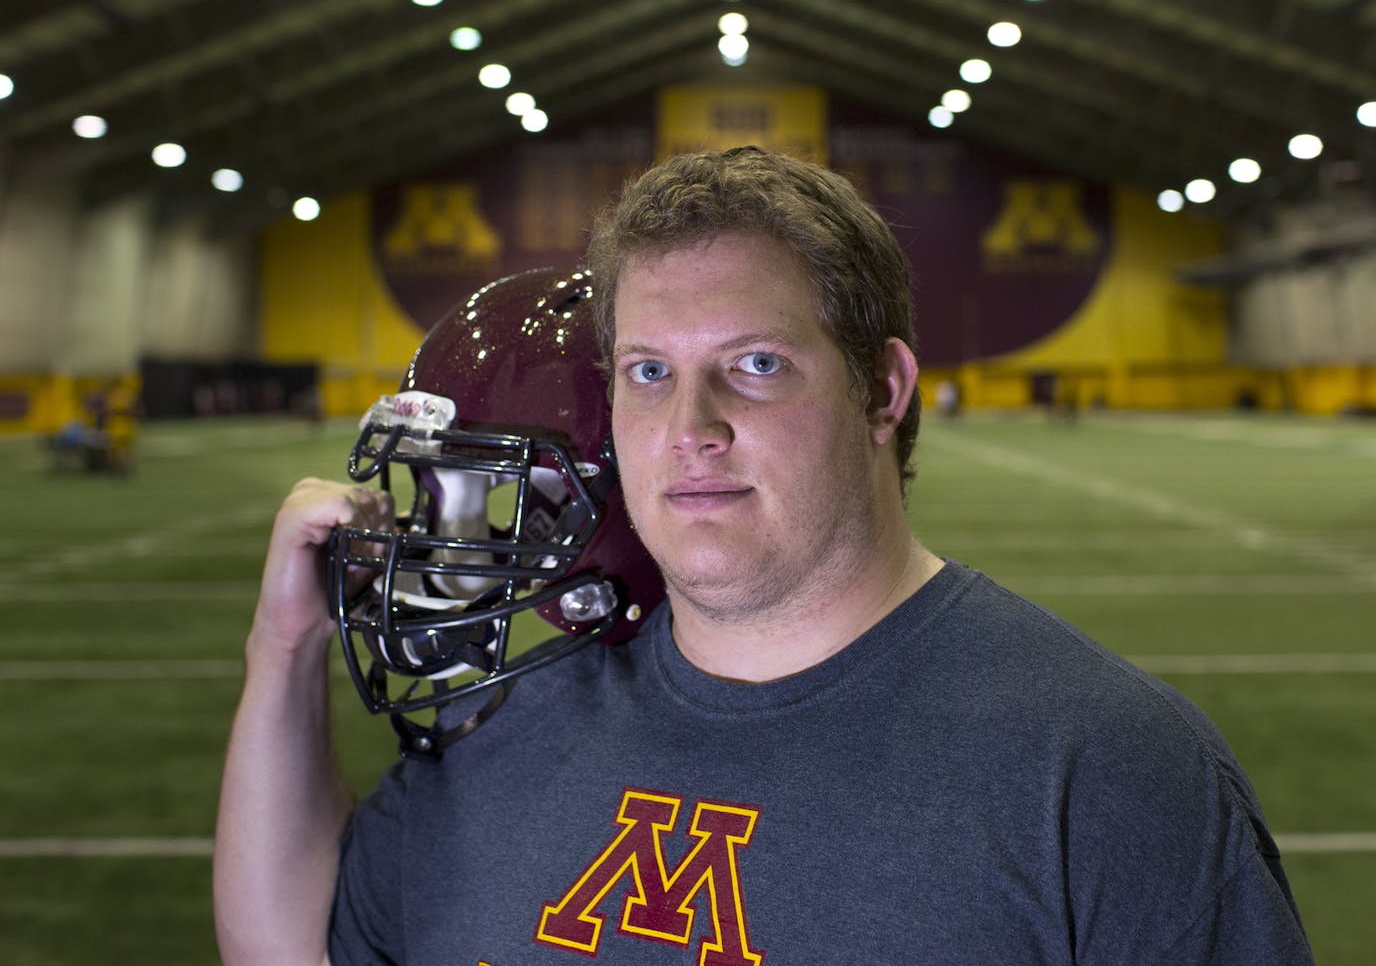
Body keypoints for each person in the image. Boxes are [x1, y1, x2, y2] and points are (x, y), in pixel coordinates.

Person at [215, 146, 1313, 965]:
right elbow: (291, 952)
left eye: (753, 363)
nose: (690, 422)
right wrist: (282, 651)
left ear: (881, 389)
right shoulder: (506, 730)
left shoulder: (1108, 768)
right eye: (647, 372)